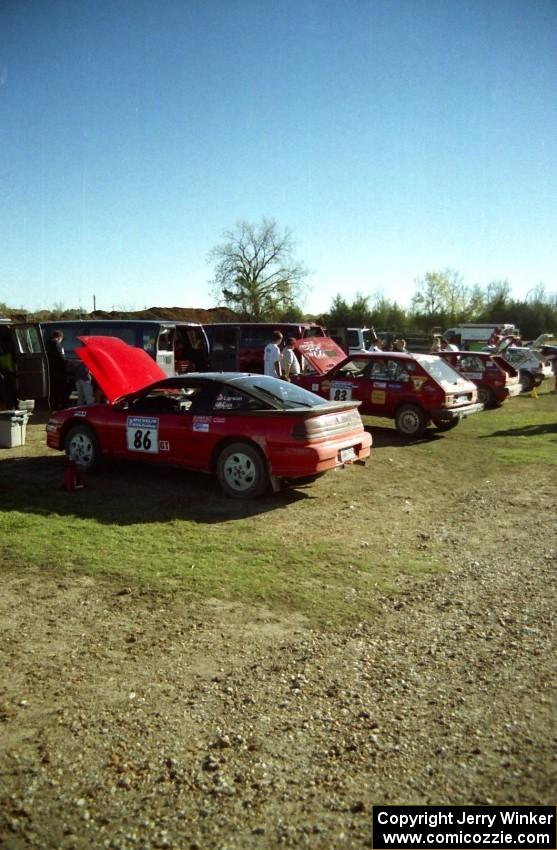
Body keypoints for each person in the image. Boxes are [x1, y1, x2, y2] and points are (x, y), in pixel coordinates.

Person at [46, 330, 70, 409]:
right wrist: (67, 362)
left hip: (51, 370)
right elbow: (61, 358)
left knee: (54, 390)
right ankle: (64, 406)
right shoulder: (56, 344)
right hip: (59, 371)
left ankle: (54, 406)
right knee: (63, 389)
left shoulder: (47, 344)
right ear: (59, 337)